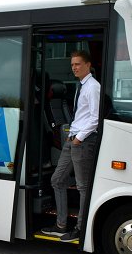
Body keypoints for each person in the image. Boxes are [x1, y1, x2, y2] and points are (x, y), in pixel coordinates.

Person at [41, 50, 100, 243]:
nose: (74, 67)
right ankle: (60, 225)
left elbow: (95, 118)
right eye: (72, 65)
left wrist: (79, 138)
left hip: (82, 142)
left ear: (88, 65)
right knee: (57, 180)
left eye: (78, 64)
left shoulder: (93, 87)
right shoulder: (81, 86)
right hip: (72, 139)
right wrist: (71, 137)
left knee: (83, 187)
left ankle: (81, 228)